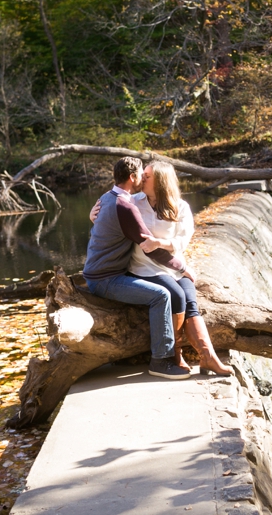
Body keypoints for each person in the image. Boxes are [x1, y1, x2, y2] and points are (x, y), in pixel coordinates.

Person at [91, 161, 233, 376]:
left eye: (147, 176)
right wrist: (93, 217)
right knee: (174, 295)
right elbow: (112, 214)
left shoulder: (180, 207)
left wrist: (165, 248)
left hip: (174, 265)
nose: (143, 179)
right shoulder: (134, 202)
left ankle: (208, 358)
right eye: (142, 174)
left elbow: (181, 241)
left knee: (189, 298)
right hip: (146, 267)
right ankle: (175, 355)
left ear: (160, 181)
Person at [82, 156, 193, 380]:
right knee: (161, 296)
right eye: (142, 174)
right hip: (105, 279)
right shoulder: (126, 206)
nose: (144, 178)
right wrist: (182, 268)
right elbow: (150, 248)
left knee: (177, 294)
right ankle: (161, 360)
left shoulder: (109, 197)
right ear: (132, 178)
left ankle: (179, 353)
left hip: (103, 273)